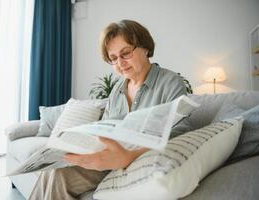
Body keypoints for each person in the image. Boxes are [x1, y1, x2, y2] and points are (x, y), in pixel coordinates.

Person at [29, 19, 187, 200]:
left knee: (60, 177)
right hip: (107, 159)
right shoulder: (117, 90)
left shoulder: (171, 82)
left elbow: (181, 131)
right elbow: (107, 128)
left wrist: (129, 156)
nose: (120, 63)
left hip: (136, 161)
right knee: (51, 170)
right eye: (113, 58)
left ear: (145, 48)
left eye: (125, 53)